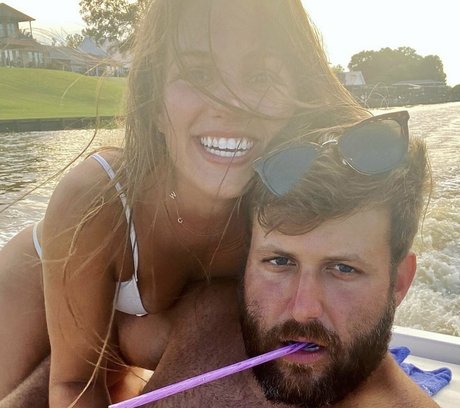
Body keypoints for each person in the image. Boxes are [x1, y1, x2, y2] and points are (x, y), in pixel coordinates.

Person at [0, 0, 367, 407]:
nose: (231, 104)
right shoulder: (96, 198)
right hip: (36, 280)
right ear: (155, 103)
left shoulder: (292, 210)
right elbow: (75, 384)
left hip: (138, 328)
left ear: (295, 99)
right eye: (198, 74)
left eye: (261, 76)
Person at [115, 113, 440, 407]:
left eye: (343, 269)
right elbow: (98, 355)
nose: (302, 309)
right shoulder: (206, 317)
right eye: (279, 262)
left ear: (399, 283)